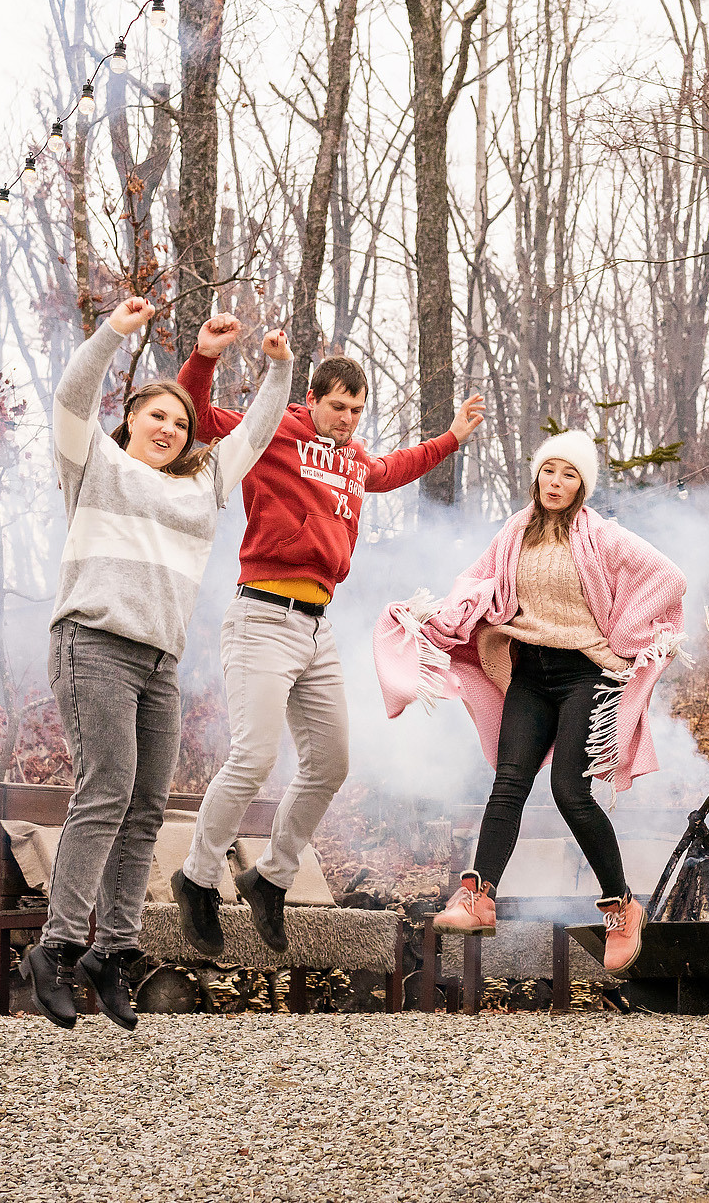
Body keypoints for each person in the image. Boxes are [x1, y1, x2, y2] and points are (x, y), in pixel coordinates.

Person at [168, 319, 487, 960]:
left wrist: (451, 437)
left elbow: (392, 470)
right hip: (261, 614)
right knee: (254, 757)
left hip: (316, 627)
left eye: (357, 410)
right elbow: (199, 419)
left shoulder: (352, 458)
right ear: (311, 400)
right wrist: (203, 357)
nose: (346, 419)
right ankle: (197, 877)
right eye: (338, 407)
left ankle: (271, 878)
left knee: (331, 762)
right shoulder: (274, 432)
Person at [23, 297, 291, 1031]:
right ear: (130, 421)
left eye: (181, 421)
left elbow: (260, 433)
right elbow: (71, 394)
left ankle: (113, 952)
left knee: (146, 808)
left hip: (158, 664)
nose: (171, 428)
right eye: (156, 416)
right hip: (93, 644)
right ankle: (54, 947)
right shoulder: (92, 464)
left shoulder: (203, 485)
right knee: (105, 788)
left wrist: (278, 368)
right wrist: (115, 332)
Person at [375, 431, 688, 972]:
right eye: (550, 471)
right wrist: (439, 615)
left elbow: (668, 577)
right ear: (537, 476)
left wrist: (623, 636)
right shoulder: (514, 532)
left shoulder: (602, 536)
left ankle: (621, 904)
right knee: (510, 781)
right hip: (529, 674)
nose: (557, 482)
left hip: (585, 675)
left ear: (582, 486)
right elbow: (476, 580)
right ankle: (479, 896)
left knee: (570, 791)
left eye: (569, 475)